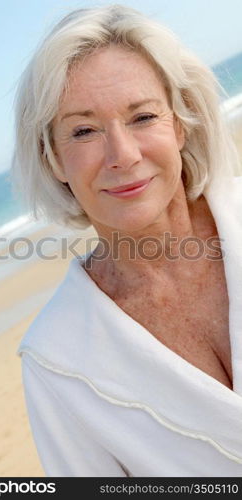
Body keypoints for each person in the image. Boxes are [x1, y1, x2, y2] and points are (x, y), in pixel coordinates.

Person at [12, 5, 242, 476]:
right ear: (53, 159)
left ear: (179, 123)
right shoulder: (54, 359)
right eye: (84, 131)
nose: (123, 154)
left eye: (142, 117)